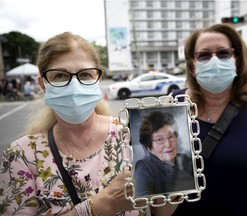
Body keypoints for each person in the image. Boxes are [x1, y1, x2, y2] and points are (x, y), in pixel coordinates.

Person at [0, 32, 150, 216]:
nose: (74, 86)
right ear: (42, 83)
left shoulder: (132, 136)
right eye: (60, 75)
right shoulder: (22, 156)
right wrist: (99, 206)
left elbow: (161, 211)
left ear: (98, 80)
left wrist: (176, 183)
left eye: (85, 74)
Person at [153, 23, 247, 216]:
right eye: (205, 55)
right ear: (192, 66)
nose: (214, 60)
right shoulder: (172, 105)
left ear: (237, 61)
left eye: (223, 53)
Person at [135, 111, 195, 197]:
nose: (168, 144)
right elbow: (145, 204)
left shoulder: (185, 159)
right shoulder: (144, 168)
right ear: (148, 146)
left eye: (171, 136)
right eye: (159, 139)